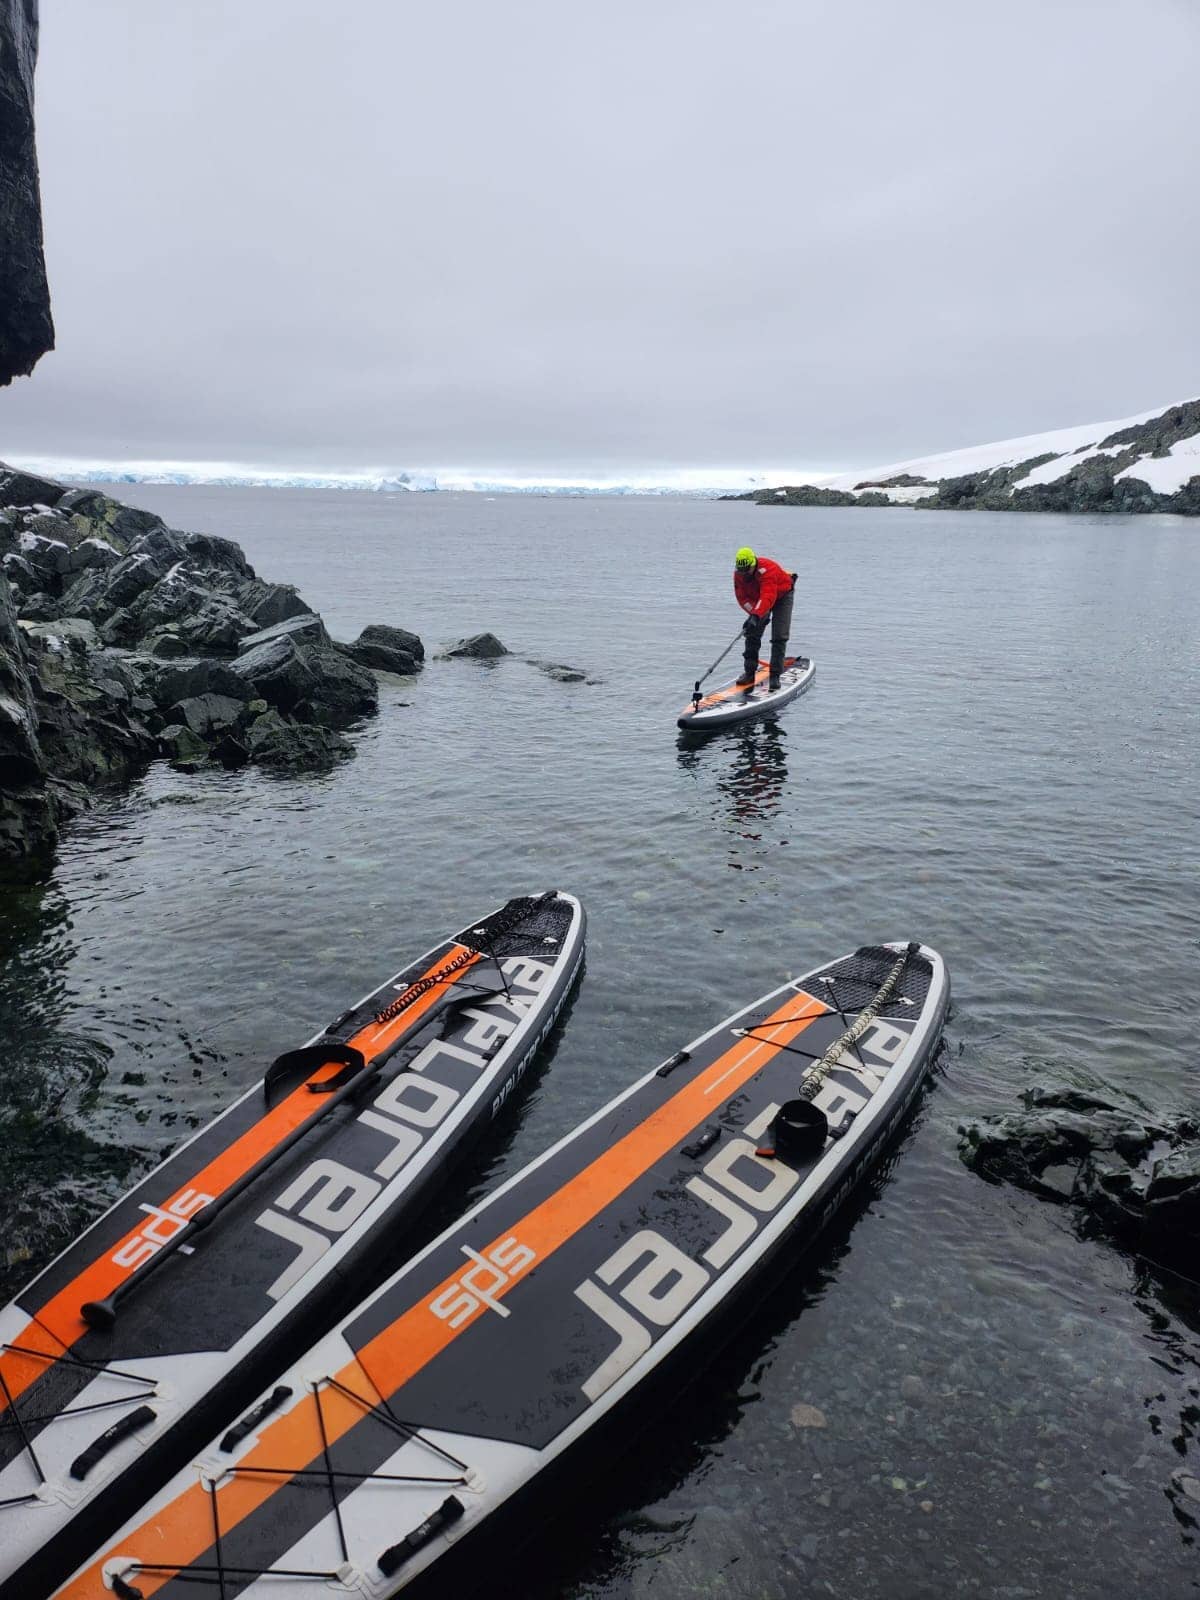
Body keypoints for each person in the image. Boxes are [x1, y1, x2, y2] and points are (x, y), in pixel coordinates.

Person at [733, 546, 795, 689]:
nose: (744, 574)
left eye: (747, 570)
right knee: (752, 633)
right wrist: (753, 616)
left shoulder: (768, 569)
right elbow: (742, 598)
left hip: (782, 596)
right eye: (741, 571)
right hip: (759, 600)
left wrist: (756, 614)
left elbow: (768, 595)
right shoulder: (739, 574)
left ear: (753, 564)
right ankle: (749, 673)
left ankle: (775, 675)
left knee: (779, 636)